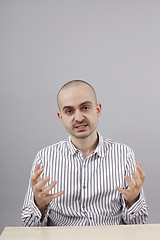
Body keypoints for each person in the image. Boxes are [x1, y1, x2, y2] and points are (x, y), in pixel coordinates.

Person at [21, 80, 148, 226]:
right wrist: (39, 205)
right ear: (61, 117)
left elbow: (138, 223)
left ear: (98, 110)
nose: (79, 118)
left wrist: (133, 200)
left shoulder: (124, 154)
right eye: (69, 111)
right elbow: (30, 226)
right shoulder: (45, 158)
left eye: (85, 107)